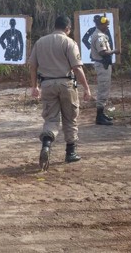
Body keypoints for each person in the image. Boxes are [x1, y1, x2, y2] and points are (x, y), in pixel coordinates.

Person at [29, 15, 92, 171]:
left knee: (50, 118)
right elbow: (77, 67)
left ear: (54, 26)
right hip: (66, 84)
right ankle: (70, 152)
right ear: (67, 29)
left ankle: (46, 144)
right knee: (70, 118)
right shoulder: (69, 43)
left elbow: (32, 66)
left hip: (47, 84)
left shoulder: (40, 42)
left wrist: (34, 86)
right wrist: (86, 88)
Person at [90, 14, 120, 125]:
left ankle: (101, 114)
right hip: (102, 65)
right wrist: (114, 51)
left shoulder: (100, 34)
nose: (107, 27)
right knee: (103, 89)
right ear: (100, 24)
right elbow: (102, 52)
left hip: (104, 65)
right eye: (106, 25)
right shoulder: (99, 36)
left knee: (105, 89)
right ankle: (99, 116)